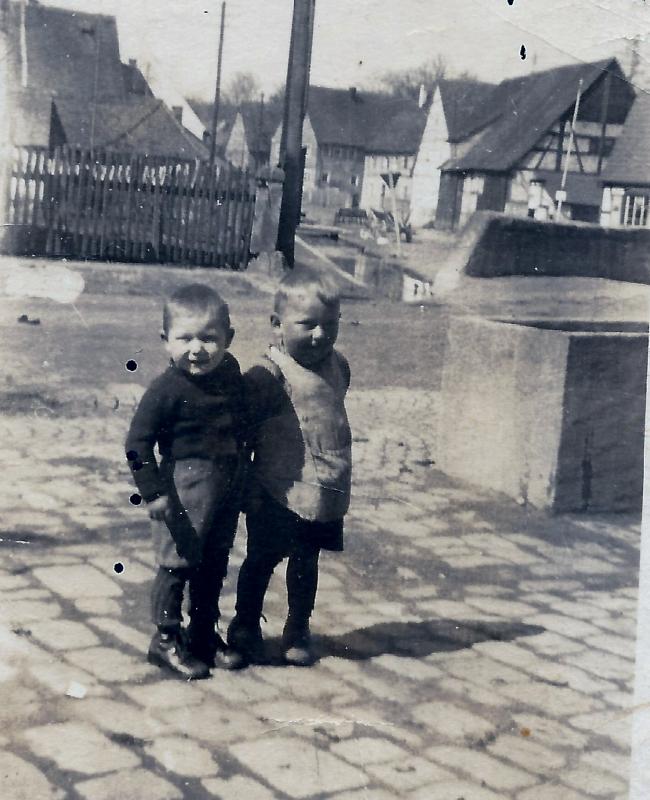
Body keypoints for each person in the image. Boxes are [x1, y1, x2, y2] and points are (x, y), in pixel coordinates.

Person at [228, 267, 352, 667]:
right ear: (277, 324)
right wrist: (245, 486)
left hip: (323, 490)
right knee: (261, 561)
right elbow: (241, 436)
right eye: (308, 324)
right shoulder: (268, 376)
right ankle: (245, 626)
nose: (321, 334)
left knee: (306, 561)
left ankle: (298, 626)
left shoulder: (338, 366)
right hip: (276, 491)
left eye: (330, 324)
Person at [125, 284, 247, 679]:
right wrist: (153, 492)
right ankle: (165, 639)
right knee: (176, 564)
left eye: (209, 338)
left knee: (213, 562)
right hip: (183, 488)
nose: (197, 349)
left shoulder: (230, 374)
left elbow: (242, 422)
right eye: (185, 338)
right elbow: (136, 443)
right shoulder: (166, 389)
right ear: (166, 340)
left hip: (226, 482)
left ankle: (203, 633)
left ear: (228, 338)